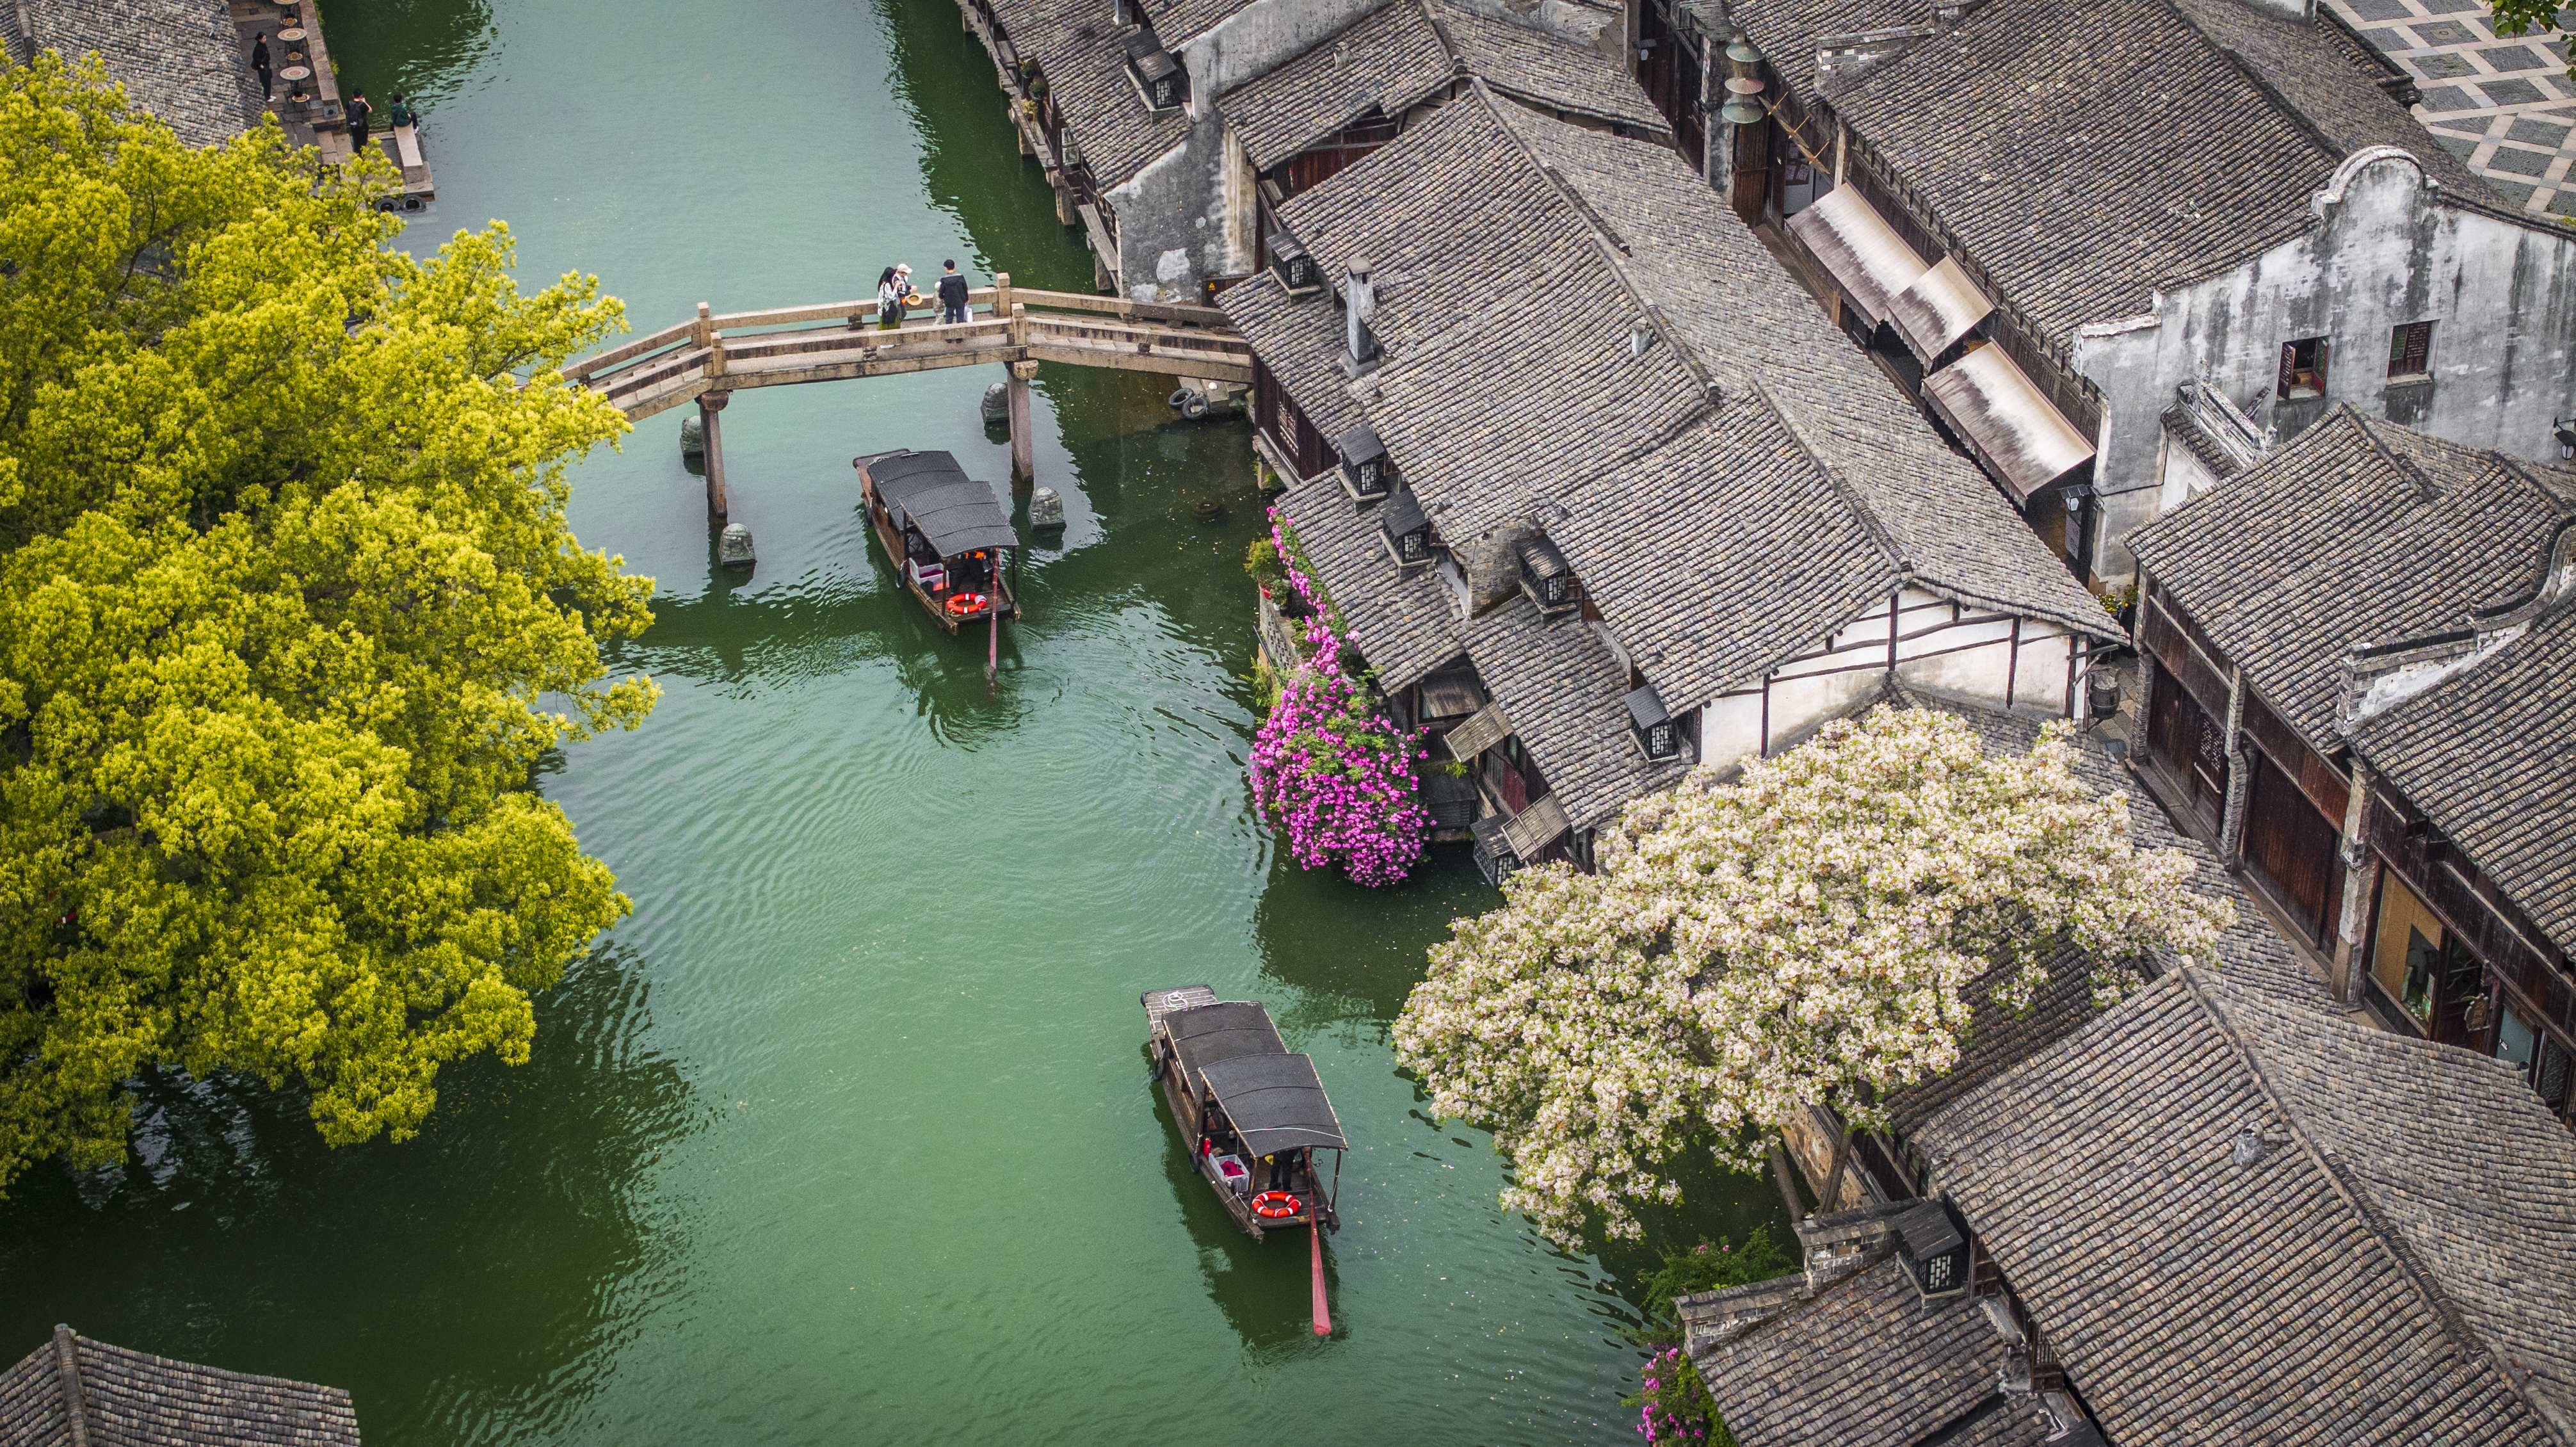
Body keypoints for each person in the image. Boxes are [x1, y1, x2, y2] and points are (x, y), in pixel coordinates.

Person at [936, 259, 971, 325]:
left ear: (946, 268)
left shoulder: (944, 279)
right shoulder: (960, 277)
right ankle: (961, 334)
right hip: (960, 300)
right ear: (954, 267)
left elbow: (941, 290)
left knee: (949, 318)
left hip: (949, 301)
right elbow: (965, 289)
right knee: (960, 318)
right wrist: (966, 299)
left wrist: (941, 297)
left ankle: (949, 333)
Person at [346, 90, 372, 156]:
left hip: (353, 125)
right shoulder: (362, 105)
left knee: (355, 139)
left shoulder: (349, 104)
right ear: (361, 96)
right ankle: (362, 154)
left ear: (353, 95)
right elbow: (370, 110)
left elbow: (346, 111)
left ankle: (356, 152)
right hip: (362, 126)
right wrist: (365, 102)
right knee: (363, 140)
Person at [250, 33, 271, 102]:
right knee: (265, 82)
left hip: (266, 65)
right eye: (263, 39)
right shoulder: (257, 49)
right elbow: (256, 59)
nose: (265, 40)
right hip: (262, 67)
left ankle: (269, 95)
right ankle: (267, 97)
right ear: (259, 39)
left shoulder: (263, 45)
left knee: (269, 80)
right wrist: (262, 66)